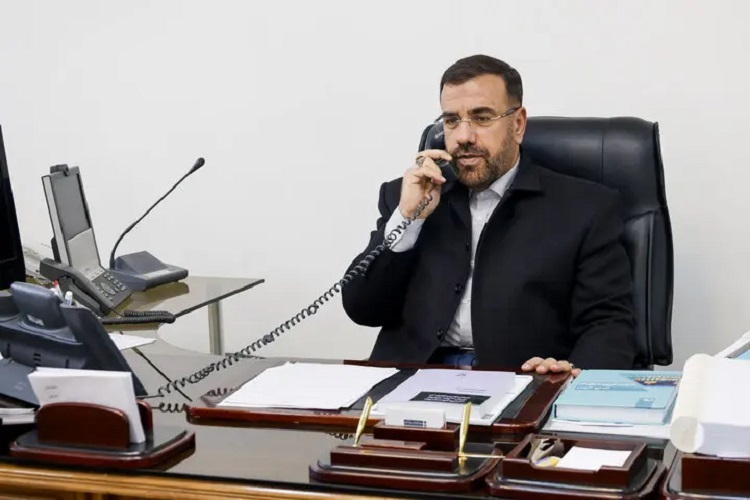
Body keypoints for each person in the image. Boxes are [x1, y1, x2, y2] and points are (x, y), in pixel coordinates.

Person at [341, 55, 636, 375]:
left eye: (481, 118)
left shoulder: (585, 207)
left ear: (518, 124)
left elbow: (608, 324)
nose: (463, 136)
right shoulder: (412, 196)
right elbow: (362, 309)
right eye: (451, 120)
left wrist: (571, 378)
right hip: (409, 382)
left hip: (517, 383)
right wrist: (408, 219)